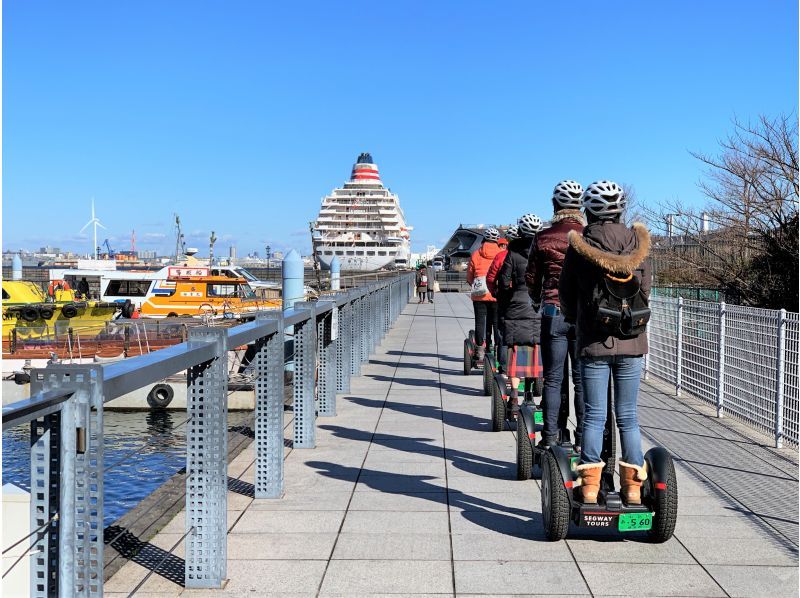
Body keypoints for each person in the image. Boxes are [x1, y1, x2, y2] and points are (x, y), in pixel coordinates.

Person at [559, 180, 652, 505]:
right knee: (628, 415)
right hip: (632, 342)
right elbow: (645, 291)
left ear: (588, 209)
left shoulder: (580, 246)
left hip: (594, 344)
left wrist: (574, 318)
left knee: (595, 414)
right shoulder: (637, 243)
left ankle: (589, 487)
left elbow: (567, 295)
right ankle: (633, 488)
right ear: (621, 209)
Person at [526, 180, 586, 450]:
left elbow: (532, 277)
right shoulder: (589, 235)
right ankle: (585, 440)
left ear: (555, 205)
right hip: (583, 315)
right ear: (580, 206)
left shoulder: (543, 237)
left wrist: (537, 298)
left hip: (553, 311)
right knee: (582, 380)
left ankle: (550, 437)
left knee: (553, 378)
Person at [497, 214, 542, 412]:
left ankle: (514, 397)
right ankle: (531, 395)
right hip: (537, 307)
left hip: (516, 306)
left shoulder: (512, 254)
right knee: (535, 352)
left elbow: (503, 282)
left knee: (516, 352)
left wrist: (507, 300)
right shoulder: (542, 252)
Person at [466, 227, 502, 364]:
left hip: (479, 294)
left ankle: (480, 351)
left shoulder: (476, 254)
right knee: (497, 323)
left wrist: (475, 286)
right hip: (496, 294)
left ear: (484, 239)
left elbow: (469, 277)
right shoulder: (501, 253)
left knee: (480, 322)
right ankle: (499, 352)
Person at [487, 225, 518, 372]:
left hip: (504, 300)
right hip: (525, 301)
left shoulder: (501, 256)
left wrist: (495, 293)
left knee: (503, 333)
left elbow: (490, 278)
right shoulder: (532, 254)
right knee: (525, 335)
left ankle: (504, 368)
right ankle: (523, 368)